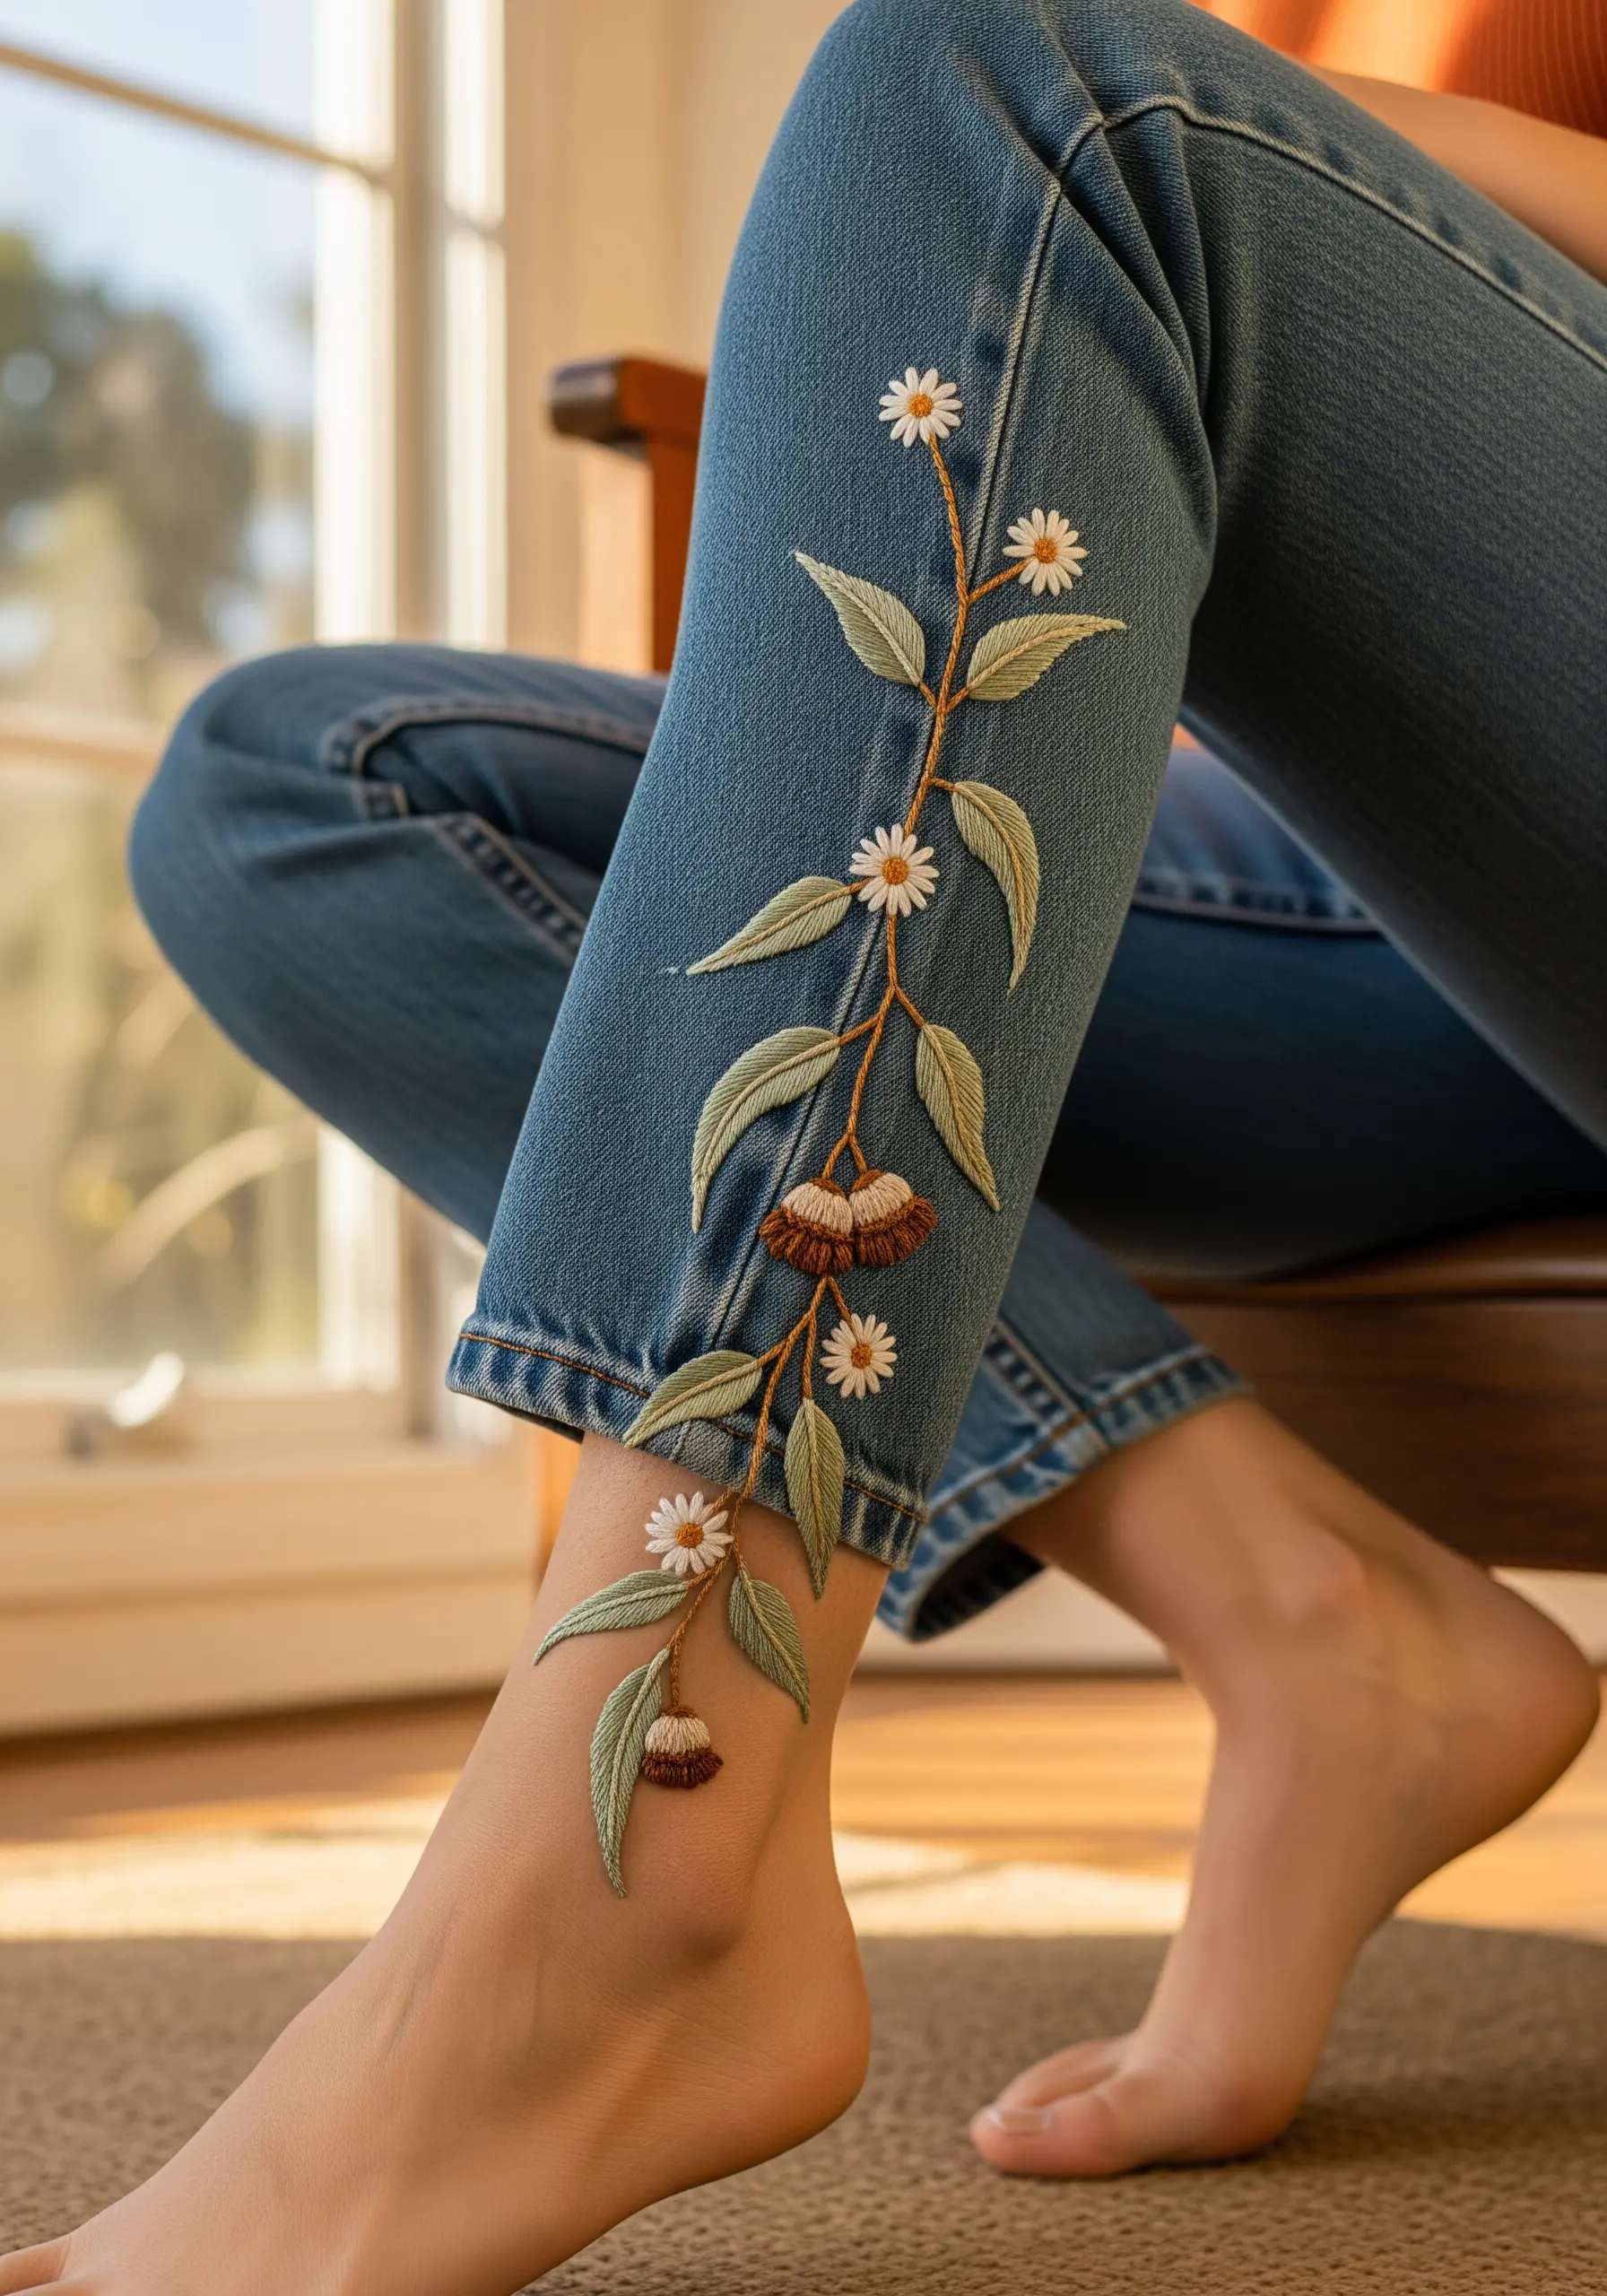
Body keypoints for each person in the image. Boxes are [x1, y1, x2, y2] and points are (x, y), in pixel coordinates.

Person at [5, 0, 1605, 2287]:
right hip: (1331, 885)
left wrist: (1297, 125)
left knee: (1024, 86)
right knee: (290, 786)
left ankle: (636, 1871)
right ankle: (1309, 1609)